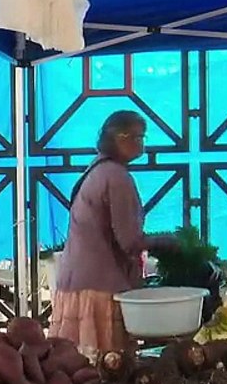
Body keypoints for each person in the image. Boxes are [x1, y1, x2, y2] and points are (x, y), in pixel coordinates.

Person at [50, 110, 163, 356]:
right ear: (120, 138)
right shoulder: (116, 177)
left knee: (76, 365)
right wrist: (164, 243)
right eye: (137, 137)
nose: (141, 144)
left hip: (75, 282)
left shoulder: (96, 169)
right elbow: (129, 241)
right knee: (108, 363)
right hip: (100, 288)